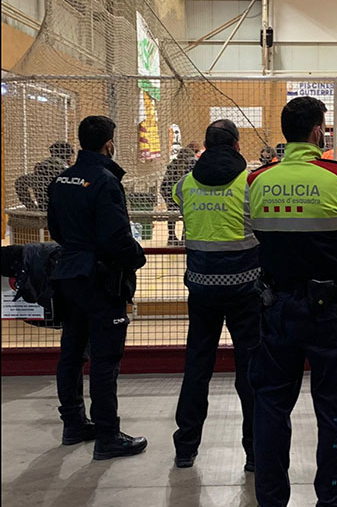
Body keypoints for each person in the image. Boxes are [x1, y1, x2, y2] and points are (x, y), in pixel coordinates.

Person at [248, 96, 337, 507]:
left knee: (270, 408)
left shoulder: (257, 181)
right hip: (327, 313)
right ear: (318, 132)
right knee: (334, 411)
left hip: (274, 308)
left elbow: (252, 231)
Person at [47, 116, 147, 459]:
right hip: (100, 280)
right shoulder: (105, 181)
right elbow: (115, 236)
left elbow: (56, 229)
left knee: (72, 352)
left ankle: (73, 424)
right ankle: (107, 435)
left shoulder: (61, 180)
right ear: (109, 144)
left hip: (69, 274)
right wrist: (136, 257)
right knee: (105, 358)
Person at [170, 120, 260, 471]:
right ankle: (254, 452)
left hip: (201, 289)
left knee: (197, 367)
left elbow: (181, 205)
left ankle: (185, 447)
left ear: (205, 147)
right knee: (250, 371)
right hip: (246, 289)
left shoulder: (185, 184)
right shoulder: (251, 183)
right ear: (237, 146)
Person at [15, 142, 74, 210]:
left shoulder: (42, 166)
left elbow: (20, 182)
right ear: (67, 155)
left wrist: (31, 207)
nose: (71, 160)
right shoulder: (65, 169)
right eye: (70, 156)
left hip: (43, 207)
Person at [160, 146, 197, 246]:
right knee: (187, 214)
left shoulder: (173, 164)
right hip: (183, 192)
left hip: (169, 191)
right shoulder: (191, 163)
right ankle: (184, 238)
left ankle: (171, 237)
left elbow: (165, 182)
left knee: (172, 215)